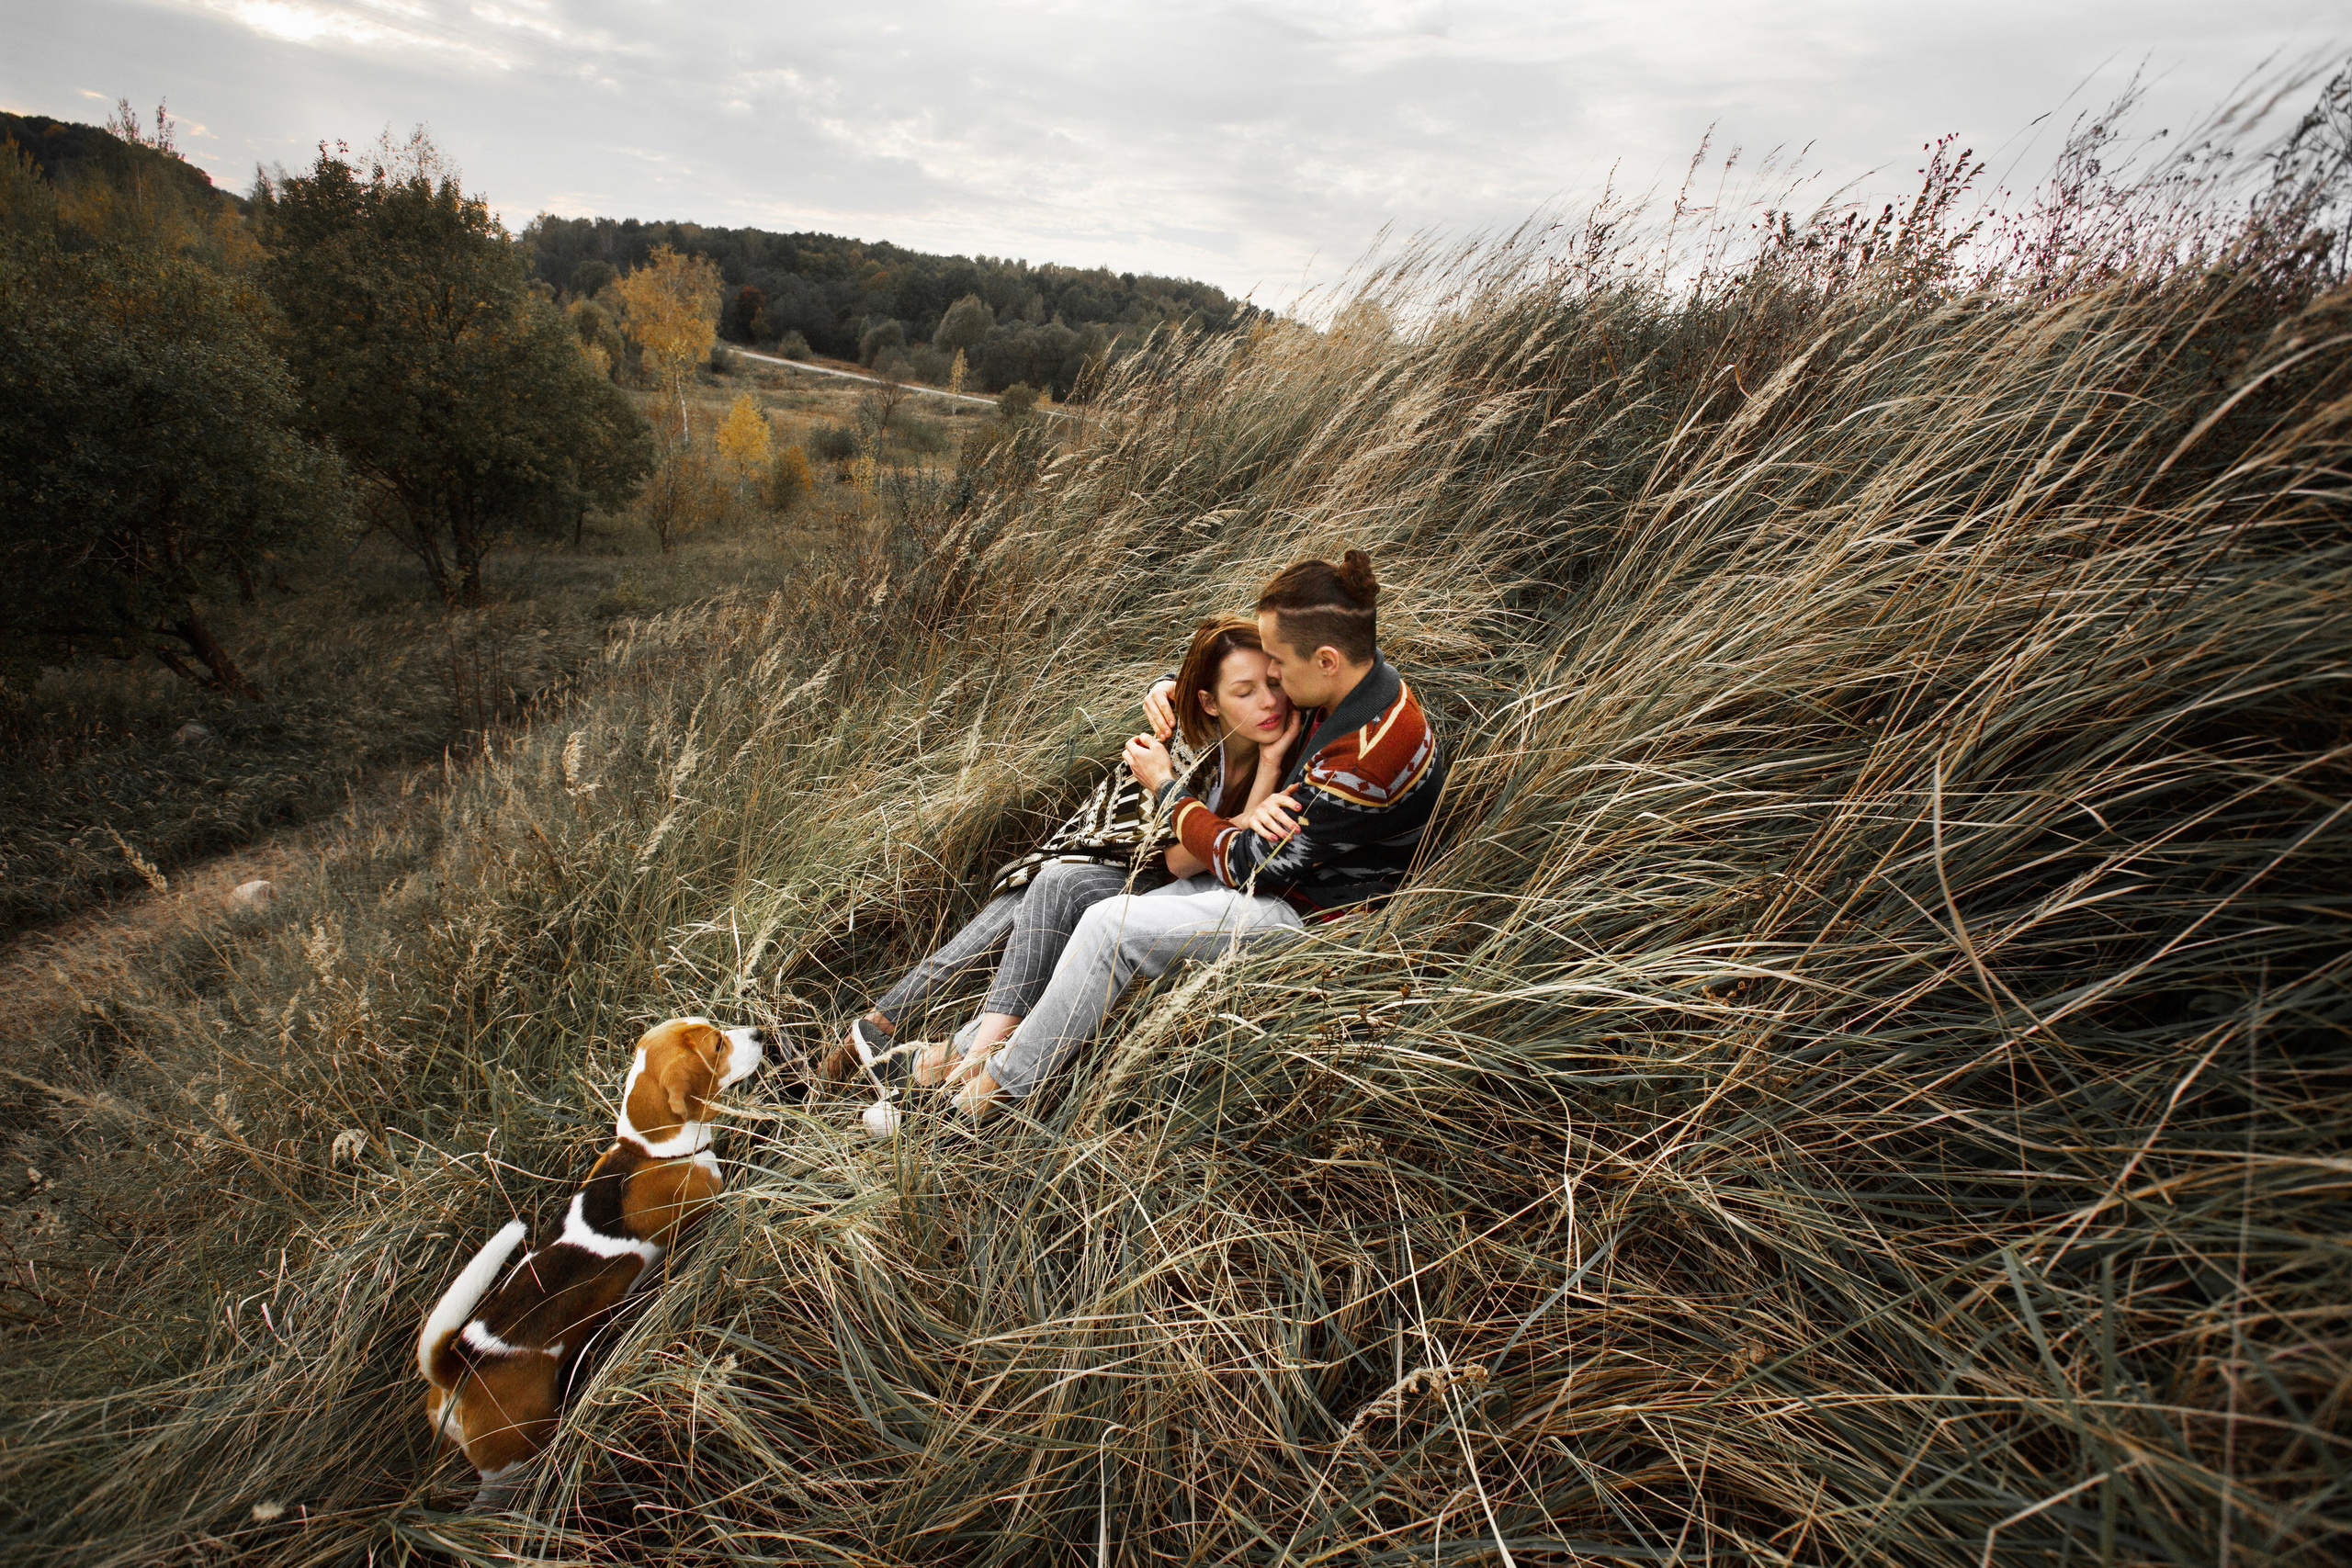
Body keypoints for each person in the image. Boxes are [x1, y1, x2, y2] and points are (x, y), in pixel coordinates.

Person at [950, 548, 1445, 1116]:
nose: (1273, 678)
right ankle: (959, 1060)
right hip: (1282, 881)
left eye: (1279, 663)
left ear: (1326, 660)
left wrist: (1167, 788)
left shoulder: (1365, 759)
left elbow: (1245, 863)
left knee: (1112, 929)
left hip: (1314, 917)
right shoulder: (1356, 680)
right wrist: (1173, 686)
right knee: (1091, 909)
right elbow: (1236, 677)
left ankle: (986, 1099)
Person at [822, 616, 1300, 1095]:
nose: (1269, 701)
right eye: (1246, 691)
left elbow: (1201, 860)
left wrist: (1265, 769)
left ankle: (942, 1055)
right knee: (1042, 888)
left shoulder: (1297, 737)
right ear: (1209, 701)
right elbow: (1164, 845)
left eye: (1274, 683)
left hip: (1172, 881)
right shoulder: (1185, 741)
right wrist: (1167, 688)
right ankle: (899, 1044)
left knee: (1055, 885)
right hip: (1121, 858)